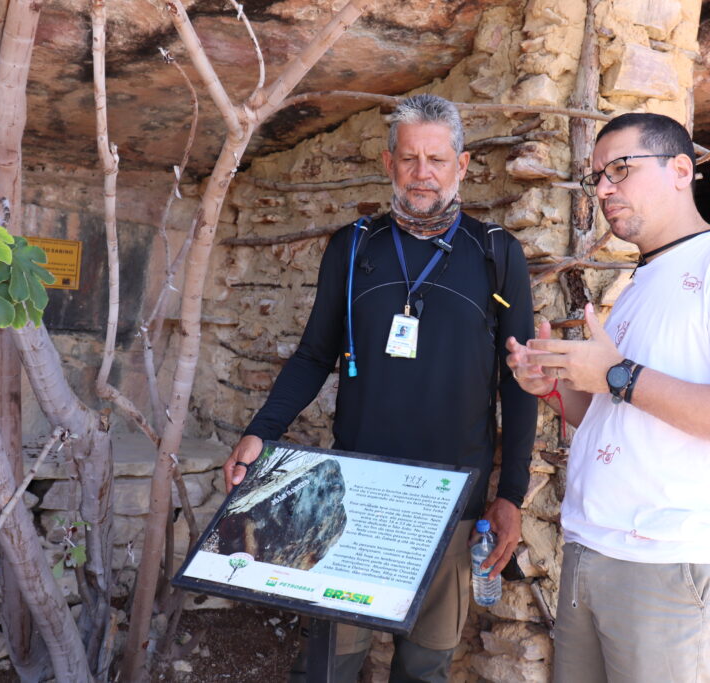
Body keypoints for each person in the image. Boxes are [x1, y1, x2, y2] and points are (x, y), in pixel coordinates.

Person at [223, 93, 538, 682]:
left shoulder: (496, 255)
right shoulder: (353, 248)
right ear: (389, 163)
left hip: (452, 502)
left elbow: (518, 387)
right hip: (355, 497)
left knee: (423, 668)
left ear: (461, 167)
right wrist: (260, 431)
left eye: (438, 160)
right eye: (411, 158)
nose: (424, 174)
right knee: (330, 666)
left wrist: (511, 494)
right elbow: (315, 354)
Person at [506, 113, 710, 683]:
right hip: (591, 551)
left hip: (671, 567)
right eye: (597, 178)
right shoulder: (642, 281)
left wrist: (618, 373)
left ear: (681, 169)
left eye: (620, 169)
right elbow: (611, 410)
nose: (604, 188)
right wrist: (554, 385)